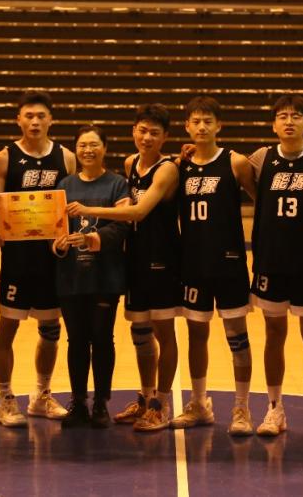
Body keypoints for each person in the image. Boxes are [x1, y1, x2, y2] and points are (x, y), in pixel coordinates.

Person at [66, 104, 181, 432]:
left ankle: (161, 403)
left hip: (163, 259)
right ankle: (145, 397)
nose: (147, 137)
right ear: (133, 132)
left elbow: (138, 212)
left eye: (155, 133)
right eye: (142, 131)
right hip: (135, 259)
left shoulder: (167, 169)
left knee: (164, 331)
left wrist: (89, 210)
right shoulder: (131, 164)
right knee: (140, 332)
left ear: (165, 136)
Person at [247, 95, 303, 439]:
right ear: (273, 125)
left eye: (296, 116)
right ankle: (274, 408)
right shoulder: (261, 158)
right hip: (271, 258)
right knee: (274, 333)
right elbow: (230, 170)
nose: (288, 121)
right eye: (282, 116)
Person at [0, 91, 76, 427]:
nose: (35, 122)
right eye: (29, 116)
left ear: (51, 119)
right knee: (7, 327)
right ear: (18, 120)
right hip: (17, 257)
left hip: (52, 257)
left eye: (41, 116)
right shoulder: (5, 157)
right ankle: (6, 399)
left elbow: (71, 201)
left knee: (51, 328)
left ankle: (41, 395)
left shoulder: (65, 156)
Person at [171, 96, 257, 436]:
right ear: (187, 127)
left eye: (208, 121)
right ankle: (198, 402)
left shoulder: (235, 162)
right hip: (193, 263)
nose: (202, 127)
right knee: (196, 334)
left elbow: (262, 201)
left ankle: (242, 407)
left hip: (229, 264)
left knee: (237, 336)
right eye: (196, 121)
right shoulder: (180, 166)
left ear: (219, 125)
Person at [53, 126, 131, 428]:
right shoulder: (64, 185)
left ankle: (100, 402)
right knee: (76, 340)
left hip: (105, 276)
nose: (88, 150)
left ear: (105, 148)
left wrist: (91, 239)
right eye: (82, 145)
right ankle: (78, 402)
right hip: (71, 276)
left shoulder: (118, 184)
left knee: (102, 338)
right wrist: (59, 244)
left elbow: (122, 226)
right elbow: (54, 226)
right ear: (76, 150)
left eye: (94, 144)